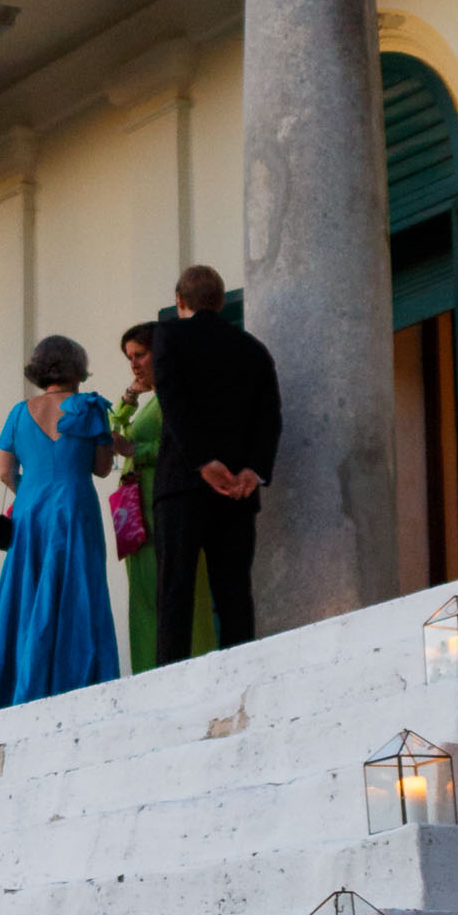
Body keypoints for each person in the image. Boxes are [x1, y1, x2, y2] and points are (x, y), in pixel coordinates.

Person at [0, 334, 120, 713]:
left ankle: (20, 687)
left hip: (30, 511)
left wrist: (32, 491)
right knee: (79, 590)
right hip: (75, 504)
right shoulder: (89, 408)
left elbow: (5, 472)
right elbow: (103, 469)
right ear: (77, 369)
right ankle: (80, 685)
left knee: (25, 594)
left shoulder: (18, 412)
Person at [152, 266, 282, 656]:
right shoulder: (252, 348)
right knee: (234, 592)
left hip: (181, 485)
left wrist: (201, 461)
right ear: (221, 301)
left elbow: (172, 402)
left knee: (175, 589)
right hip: (237, 491)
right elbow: (269, 416)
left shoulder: (169, 335)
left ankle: (170, 677)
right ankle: (240, 671)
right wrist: (253, 471)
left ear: (180, 301)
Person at [109, 322, 213, 671]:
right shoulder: (151, 400)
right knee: (143, 596)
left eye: (140, 355)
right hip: (135, 509)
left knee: (170, 590)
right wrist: (128, 399)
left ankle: (187, 663)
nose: (135, 364)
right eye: (129, 358)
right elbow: (113, 431)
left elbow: (180, 445)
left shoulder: (175, 393)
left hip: (164, 499)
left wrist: (136, 450)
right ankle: (147, 669)